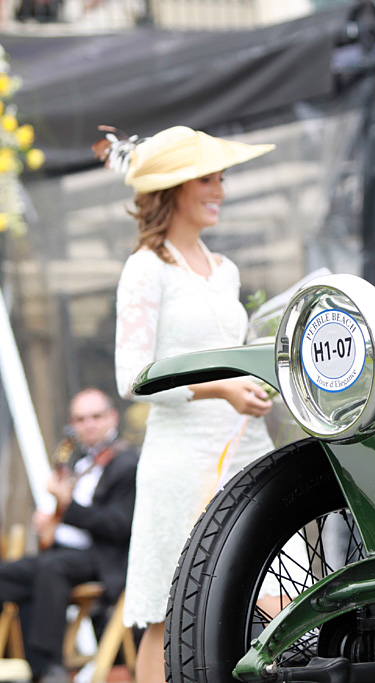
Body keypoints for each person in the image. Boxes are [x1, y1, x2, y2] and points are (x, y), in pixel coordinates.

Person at [112, 126, 276, 683]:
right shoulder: (146, 269)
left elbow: (225, 357)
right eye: (207, 178)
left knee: (280, 587)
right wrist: (221, 389)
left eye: (221, 178)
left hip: (244, 446)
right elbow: (133, 379)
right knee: (167, 610)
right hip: (181, 460)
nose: (220, 190)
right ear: (175, 188)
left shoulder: (224, 269)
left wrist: (252, 382)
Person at [0, 387, 138, 683]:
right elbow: (72, 521)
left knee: (50, 568)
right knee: (9, 574)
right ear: (72, 425)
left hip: (105, 559)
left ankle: (51, 667)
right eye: (80, 418)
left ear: (113, 417)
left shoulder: (128, 463)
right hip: (68, 554)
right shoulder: (79, 464)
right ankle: (26, 662)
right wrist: (52, 526)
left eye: (96, 416)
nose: (89, 424)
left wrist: (67, 505)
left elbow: (119, 526)